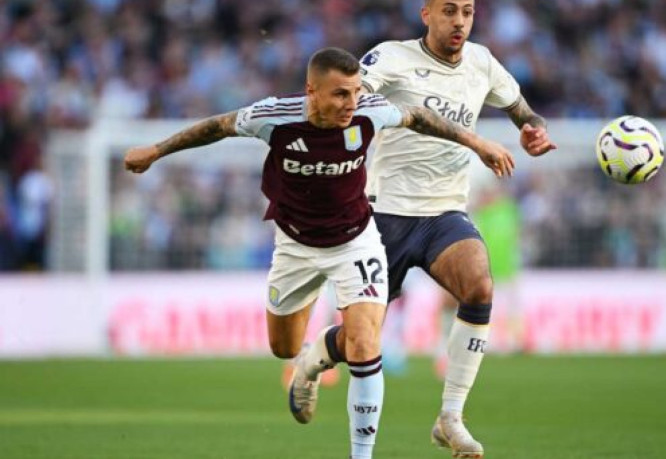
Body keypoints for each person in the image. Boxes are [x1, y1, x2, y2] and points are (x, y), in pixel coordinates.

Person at [123, 47, 514, 459]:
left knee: (365, 342)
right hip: (295, 247)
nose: (351, 103)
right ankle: (308, 363)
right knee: (283, 346)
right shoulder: (275, 116)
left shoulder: (370, 111)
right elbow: (217, 126)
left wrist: (478, 143)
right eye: (340, 94)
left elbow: (419, 117)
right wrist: (155, 151)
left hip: (356, 241)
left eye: (356, 92)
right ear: (312, 91)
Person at [353, 1, 557, 456]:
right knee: (357, 339)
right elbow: (351, 94)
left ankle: (450, 417)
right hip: (386, 211)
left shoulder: (482, 62)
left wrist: (534, 130)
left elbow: (524, 112)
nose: (460, 21)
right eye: (449, 11)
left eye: (467, 11)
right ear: (426, 14)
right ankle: (313, 362)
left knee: (479, 286)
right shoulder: (392, 56)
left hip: (445, 210)